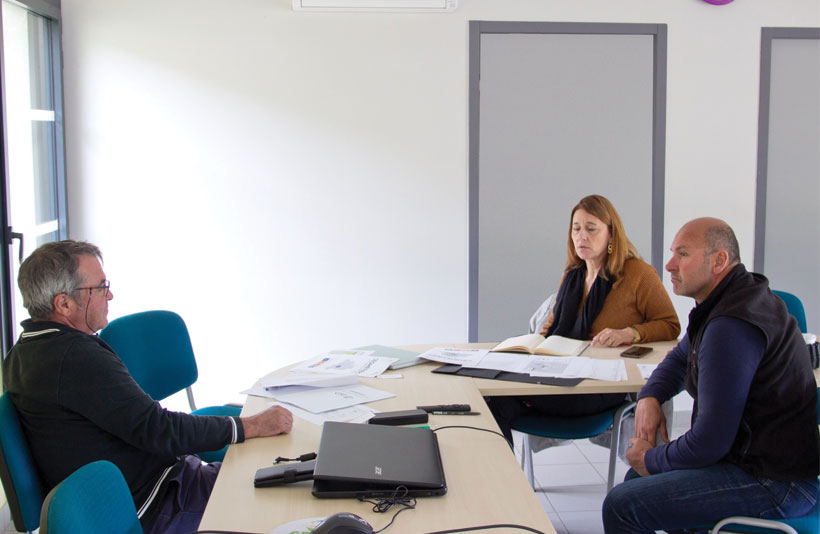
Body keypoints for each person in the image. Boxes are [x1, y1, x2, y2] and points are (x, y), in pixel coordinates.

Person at [3, 240, 294, 534]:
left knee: (279, 481)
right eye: (100, 287)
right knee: (287, 505)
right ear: (64, 303)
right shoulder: (76, 358)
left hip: (148, 490)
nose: (110, 295)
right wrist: (250, 426)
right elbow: (159, 428)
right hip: (160, 504)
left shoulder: (20, 355)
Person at [602, 218, 819, 532]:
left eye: (683, 254)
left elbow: (708, 443)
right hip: (759, 463)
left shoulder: (730, 326)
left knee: (622, 505)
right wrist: (650, 396)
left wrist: (651, 459)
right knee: (638, 480)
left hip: (775, 483)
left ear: (719, 261)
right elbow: (679, 359)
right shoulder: (732, 299)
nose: (670, 264)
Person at [487, 194, 680, 443]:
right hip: (561, 373)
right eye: (576, 229)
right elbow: (552, 325)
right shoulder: (573, 273)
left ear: (611, 234)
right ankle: (503, 480)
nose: (581, 236)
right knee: (493, 401)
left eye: (591, 228)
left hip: (599, 384)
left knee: (501, 394)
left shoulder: (638, 273)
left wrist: (628, 333)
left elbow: (670, 324)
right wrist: (533, 344)